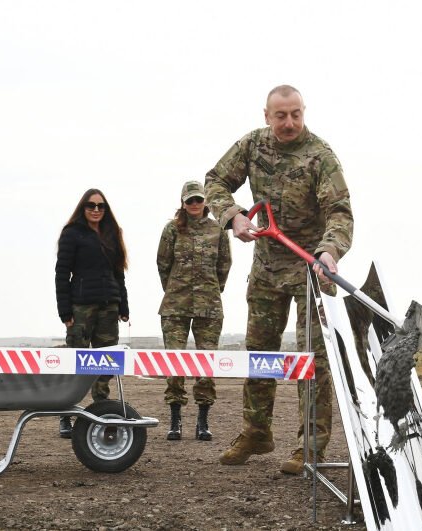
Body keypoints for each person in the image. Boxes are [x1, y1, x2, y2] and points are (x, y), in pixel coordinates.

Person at [205, 85, 353, 474]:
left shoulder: (320, 156)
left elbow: (340, 212)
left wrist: (329, 251)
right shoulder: (252, 146)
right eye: (281, 115)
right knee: (261, 355)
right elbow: (215, 181)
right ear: (267, 115)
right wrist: (233, 215)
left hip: (311, 269)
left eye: (296, 114)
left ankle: (310, 447)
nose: (289, 123)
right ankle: (256, 433)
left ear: (304, 112)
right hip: (267, 269)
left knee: (312, 361)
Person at [157, 180, 231, 441]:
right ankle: (175, 420)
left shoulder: (218, 230)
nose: (195, 204)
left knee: (206, 365)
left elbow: (224, 266)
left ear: (205, 202)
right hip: (175, 306)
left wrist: (210, 291)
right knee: (174, 362)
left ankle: (202, 421)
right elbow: (163, 265)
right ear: (183, 203)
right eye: (190, 200)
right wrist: (175, 290)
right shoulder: (172, 230)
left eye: (199, 199)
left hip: (208, 307)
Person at [55, 189, 129, 438]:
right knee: (75, 364)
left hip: (109, 307)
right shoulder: (71, 233)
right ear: (82, 207)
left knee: (105, 364)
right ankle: (65, 415)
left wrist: (124, 305)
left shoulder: (112, 233)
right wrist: (64, 310)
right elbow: (61, 273)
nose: (96, 210)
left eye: (101, 206)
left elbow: (119, 272)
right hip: (80, 307)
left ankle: (102, 412)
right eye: (91, 205)